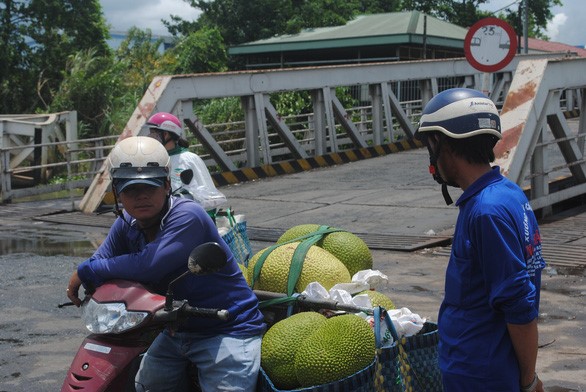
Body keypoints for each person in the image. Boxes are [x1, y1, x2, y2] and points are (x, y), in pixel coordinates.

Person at [66, 136, 265, 392]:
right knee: (147, 386)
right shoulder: (127, 223)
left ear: (167, 185)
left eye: (150, 187)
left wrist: (84, 271)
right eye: (130, 190)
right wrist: (90, 271)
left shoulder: (187, 216)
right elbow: (100, 260)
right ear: (118, 193)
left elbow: (149, 265)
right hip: (175, 331)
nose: (141, 197)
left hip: (227, 327)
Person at [415, 88, 546, 392]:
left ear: (444, 144)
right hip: (483, 368)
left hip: (480, 375)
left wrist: (529, 380)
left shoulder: (486, 213)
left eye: (431, 144)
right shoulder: (507, 194)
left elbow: (519, 306)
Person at [145, 112, 227, 210]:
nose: (150, 136)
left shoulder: (189, 159)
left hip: (185, 214)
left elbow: (208, 197)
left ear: (166, 134)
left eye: (153, 133)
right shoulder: (152, 159)